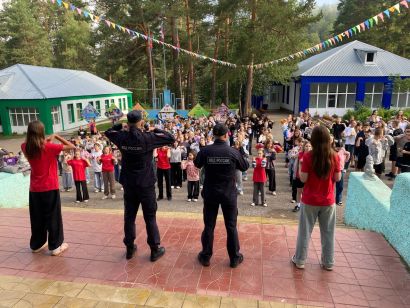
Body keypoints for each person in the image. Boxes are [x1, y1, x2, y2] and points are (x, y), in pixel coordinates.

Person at [105, 110, 175, 261]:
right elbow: (170, 137)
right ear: (141, 122)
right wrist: (155, 129)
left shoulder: (121, 136)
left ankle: (130, 247)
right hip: (145, 183)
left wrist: (120, 126)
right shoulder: (148, 137)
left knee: (129, 216)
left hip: (129, 183)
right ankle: (154, 249)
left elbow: (108, 131)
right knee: (150, 217)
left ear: (128, 123)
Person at [194, 123, 249, 268]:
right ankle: (234, 258)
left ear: (213, 135)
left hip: (211, 193)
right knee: (231, 226)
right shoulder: (233, 152)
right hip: (228, 195)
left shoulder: (206, 151)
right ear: (226, 135)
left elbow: (197, 163)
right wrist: (241, 151)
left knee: (209, 226)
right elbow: (245, 166)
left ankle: (206, 256)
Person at [21, 120, 75, 256]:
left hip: (34, 189)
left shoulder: (25, 146)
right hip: (50, 187)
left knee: (37, 217)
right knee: (53, 217)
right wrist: (56, 137)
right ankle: (56, 246)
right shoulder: (49, 147)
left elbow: (37, 144)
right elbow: (71, 146)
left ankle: (37, 244)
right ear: (41, 132)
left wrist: (48, 140)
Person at [292, 125, 341, 271]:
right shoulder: (334, 156)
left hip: (309, 200)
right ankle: (328, 262)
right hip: (328, 200)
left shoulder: (308, 156)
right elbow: (337, 178)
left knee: (304, 232)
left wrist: (301, 166)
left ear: (312, 139)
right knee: (328, 233)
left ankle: (300, 260)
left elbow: (303, 178)